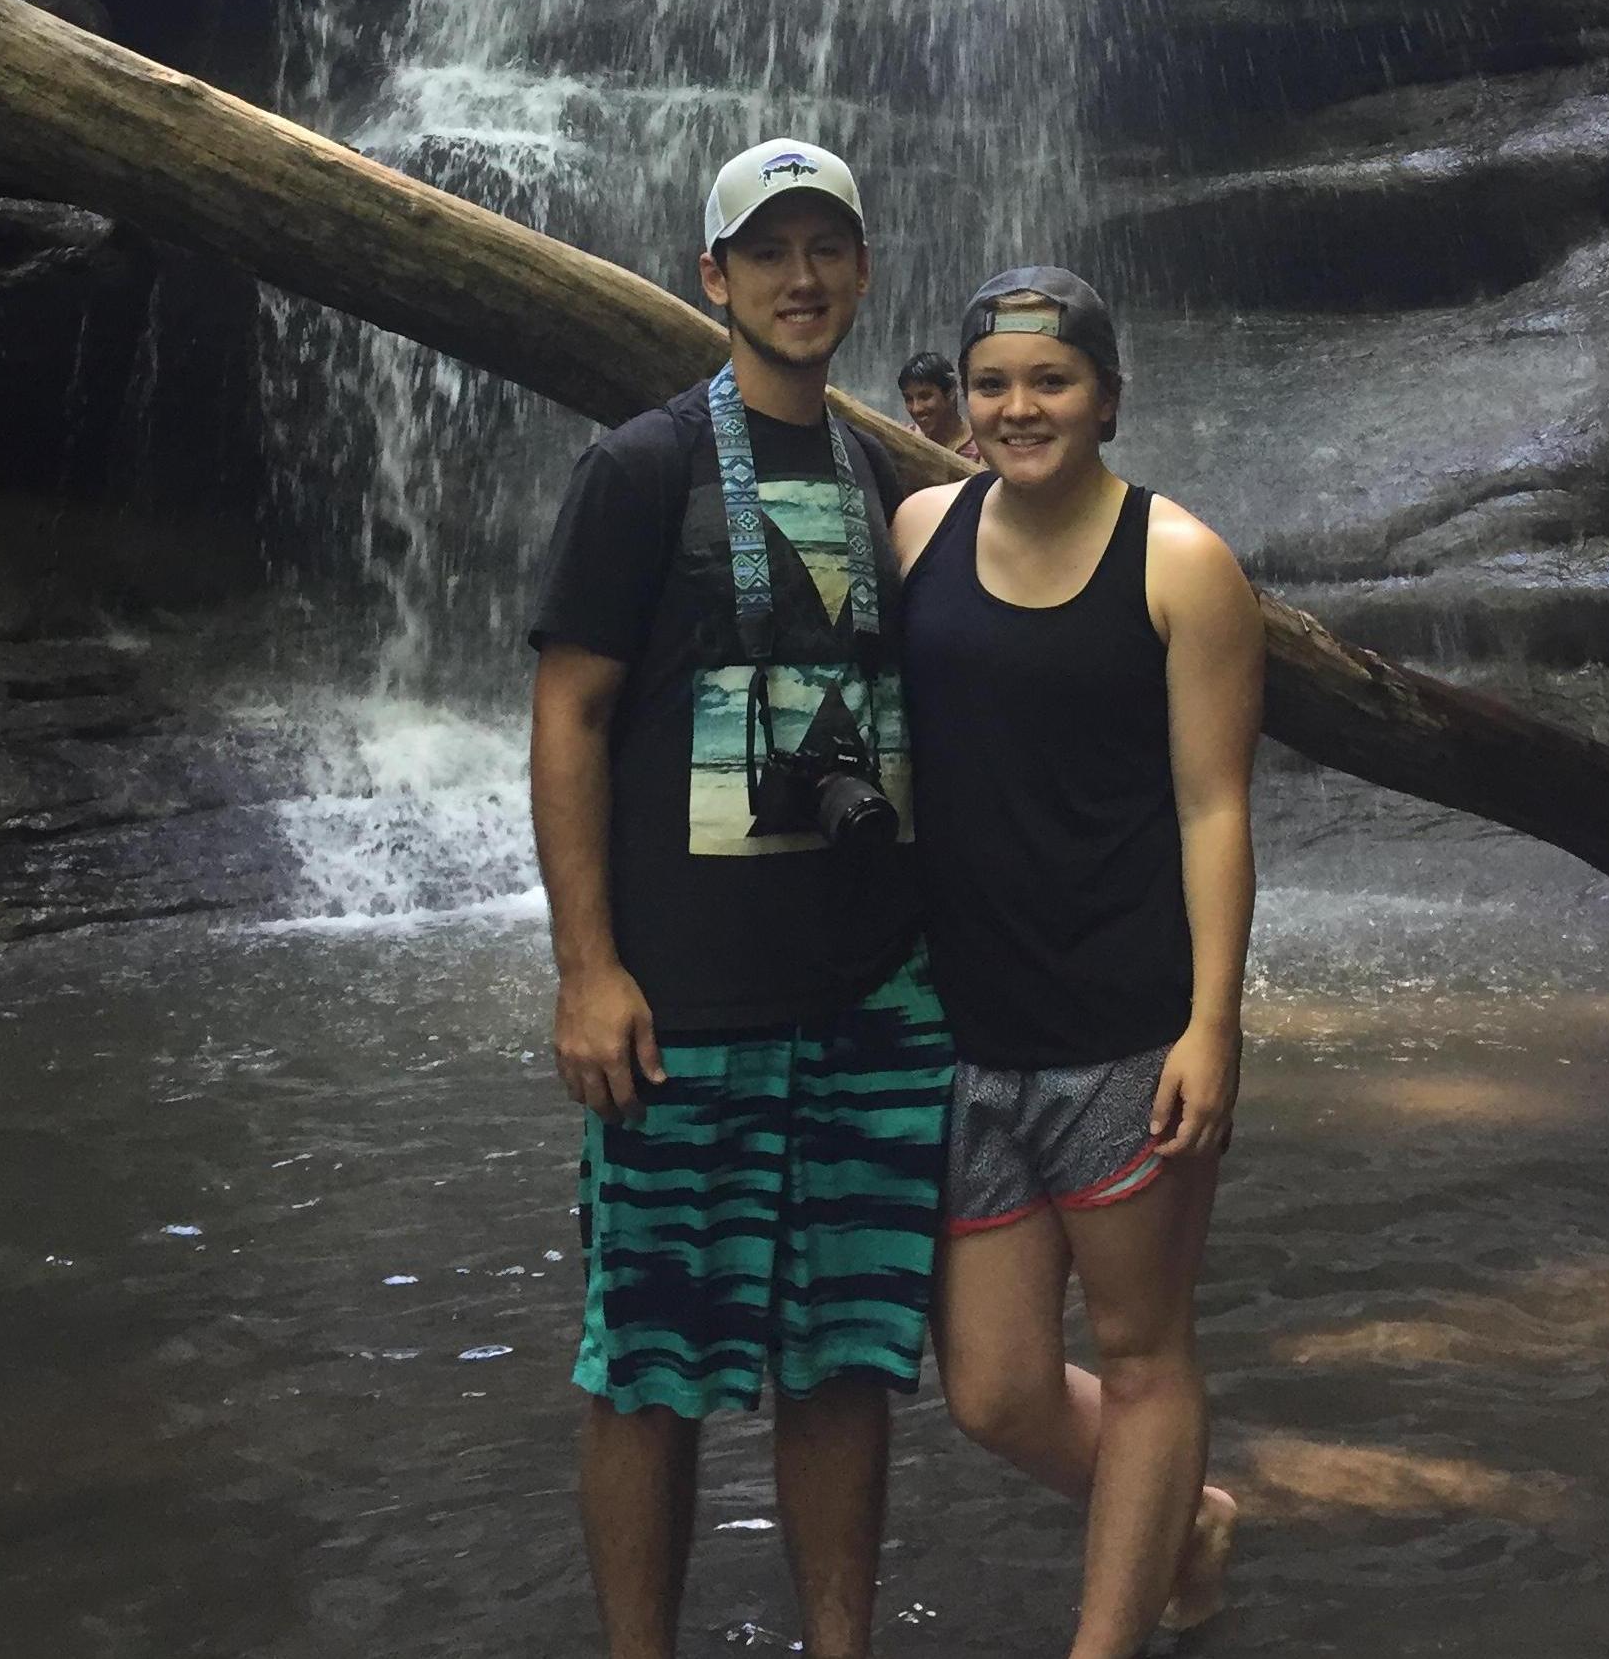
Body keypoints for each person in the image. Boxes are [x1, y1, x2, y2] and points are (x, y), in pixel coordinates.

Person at [528, 138, 953, 1659]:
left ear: (858, 266)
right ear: (713, 278)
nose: (800, 277)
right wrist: (588, 967)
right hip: (683, 999)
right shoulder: (638, 470)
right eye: (765, 251)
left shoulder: (891, 485)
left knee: (844, 1356)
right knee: (647, 1359)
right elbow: (569, 715)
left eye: (824, 247)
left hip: (873, 996)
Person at [892, 266, 1264, 1659]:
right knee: (989, 1388)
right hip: (967, 1022)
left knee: (1142, 1350)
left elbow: (1216, 805)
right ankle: (1189, 1517)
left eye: (1049, 381)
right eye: (992, 383)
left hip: (1124, 1020)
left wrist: (1212, 1022)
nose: (1016, 406)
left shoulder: (1180, 564)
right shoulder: (920, 529)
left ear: (1107, 396)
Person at [897, 348, 979, 462]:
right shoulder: (902, 439)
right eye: (908, 399)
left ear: (950, 393)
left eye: (925, 397)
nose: (916, 409)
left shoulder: (981, 448)